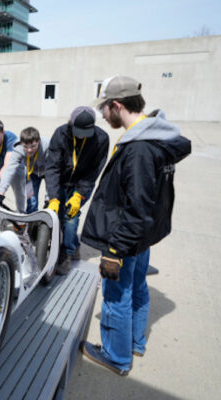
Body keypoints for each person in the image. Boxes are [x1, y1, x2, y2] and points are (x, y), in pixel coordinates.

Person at [80, 76, 191, 376]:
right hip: (144, 235)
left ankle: (116, 357)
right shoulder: (157, 138)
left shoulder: (140, 148)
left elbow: (137, 205)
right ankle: (136, 343)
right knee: (138, 285)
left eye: (104, 108)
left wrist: (114, 249)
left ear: (117, 105)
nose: (102, 115)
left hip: (126, 237)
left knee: (116, 295)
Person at [45, 106, 109, 274]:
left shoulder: (101, 139)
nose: (80, 136)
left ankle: (67, 252)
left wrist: (79, 194)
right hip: (61, 181)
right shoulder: (60, 134)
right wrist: (53, 197)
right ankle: (74, 245)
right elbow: (52, 167)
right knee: (57, 215)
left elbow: (94, 170)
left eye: (84, 132)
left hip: (82, 182)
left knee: (71, 216)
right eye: (78, 131)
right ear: (70, 124)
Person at [0, 127, 50, 213]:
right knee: (32, 202)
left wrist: (48, 199)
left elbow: (52, 174)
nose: (29, 150)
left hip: (48, 171)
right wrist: (0, 194)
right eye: (25, 147)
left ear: (39, 141)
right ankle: (32, 225)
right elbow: (9, 170)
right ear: (21, 143)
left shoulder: (48, 146)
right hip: (31, 173)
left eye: (33, 146)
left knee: (50, 204)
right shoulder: (18, 148)